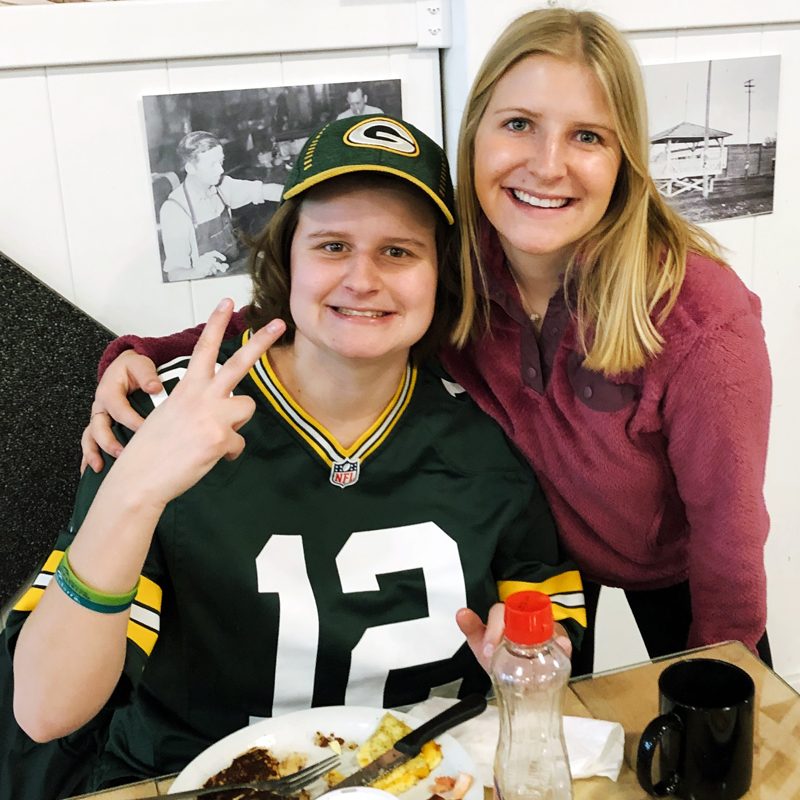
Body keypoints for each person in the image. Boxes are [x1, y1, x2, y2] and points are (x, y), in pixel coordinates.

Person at [83, 8, 773, 677]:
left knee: (721, 741)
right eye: (519, 124)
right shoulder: (454, 269)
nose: (547, 163)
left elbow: (730, 539)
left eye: (588, 136)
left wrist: (723, 688)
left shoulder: (700, 320)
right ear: (475, 134)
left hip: (683, 568)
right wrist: (138, 353)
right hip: (548, 552)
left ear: (626, 158)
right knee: (547, 723)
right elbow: (302, 310)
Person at [4, 115, 584, 799]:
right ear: (287, 259)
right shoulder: (175, 413)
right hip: (189, 782)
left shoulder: (489, 436)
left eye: (399, 251)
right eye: (332, 245)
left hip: (410, 782)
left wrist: (521, 663)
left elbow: (549, 633)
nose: (363, 279)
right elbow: (44, 710)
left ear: (442, 273)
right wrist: (134, 491)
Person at [159, 131, 283, 281]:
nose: (220, 170)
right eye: (212, 165)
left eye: (221, 162)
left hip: (233, 269)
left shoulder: (222, 186)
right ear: (190, 168)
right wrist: (196, 271)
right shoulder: (175, 210)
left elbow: (265, 191)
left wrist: (300, 196)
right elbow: (175, 273)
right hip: (206, 283)